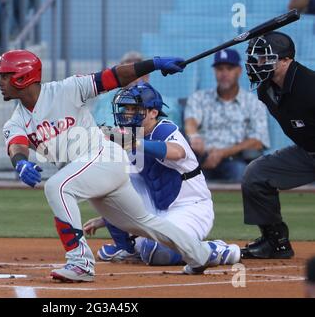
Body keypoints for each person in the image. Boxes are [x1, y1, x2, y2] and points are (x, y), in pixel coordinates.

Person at [0, 49, 238, 282]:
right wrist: (20, 163)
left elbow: (112, 77)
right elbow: (17, 145)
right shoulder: (16, 121)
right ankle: (200, 255)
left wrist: (153, 63)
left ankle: (80, 262)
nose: (0, 82)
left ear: (23, 76)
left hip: (103, 157)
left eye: (5, 76)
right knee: (143, 223)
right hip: (92, 173)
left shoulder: (66, 89)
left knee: (57, 187)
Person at [83, 82, 241, 267]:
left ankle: (215, 250)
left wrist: (135, 143)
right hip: (157, 209)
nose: (128, 113)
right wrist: (108, 217)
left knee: (158, 252)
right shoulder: (128, 136)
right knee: (108, 180)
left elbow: (177, 152)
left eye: (135, 108)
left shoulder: (165, 129)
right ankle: (128, 248)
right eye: (126, 108)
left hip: (190, 207)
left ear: (153, 113)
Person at [241, 31, 315, 259]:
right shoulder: (265, 89)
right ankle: (276, 242)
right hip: (307, 153)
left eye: (265, 58)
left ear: (286, 60)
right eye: (257, 58)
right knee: (256, 174)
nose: (258, 64)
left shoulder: (310, 85)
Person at [184, 49, 270, 183]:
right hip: (202, 159)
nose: (224, 73)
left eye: (229, 68)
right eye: (219, 69)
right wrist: (194, 136)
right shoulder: (199, 97)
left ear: (239, 70)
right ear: (214, 71)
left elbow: (258, 141)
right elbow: (190, 121)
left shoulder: (253, 103)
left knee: (241, 171)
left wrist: (222, 153)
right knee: (185, 172)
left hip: (235, 160)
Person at [91, 51, 149, 126]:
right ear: (117, 76)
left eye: (136, 74)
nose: (131, 78)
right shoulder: (104, 100)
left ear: (146, 76)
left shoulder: (159, 103)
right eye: (126, 74)